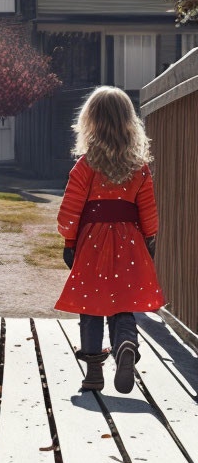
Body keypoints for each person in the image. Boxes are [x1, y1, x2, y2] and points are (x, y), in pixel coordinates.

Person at [55, 86, 165, 394]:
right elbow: (148, 210)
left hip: (92, 243)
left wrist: (68, 241)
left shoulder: (87, 165)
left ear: (91, 122)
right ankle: (125, 344)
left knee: (91, 304)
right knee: (124, 301)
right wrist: (150, 240)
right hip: (130, 242)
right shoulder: (138, 167)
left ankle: (93, 373)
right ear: (130, 122)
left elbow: (72, 207)